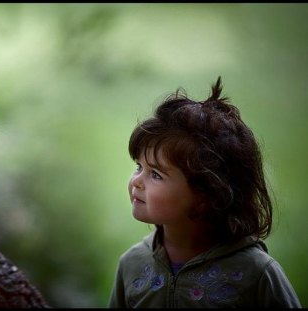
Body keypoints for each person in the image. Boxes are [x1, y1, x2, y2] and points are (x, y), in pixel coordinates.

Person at [108, 77, 301, 308]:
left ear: (206, 196)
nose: (137, 181)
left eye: (156, 175)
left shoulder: (257, 274)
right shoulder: (132, 264)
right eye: (139, 167)